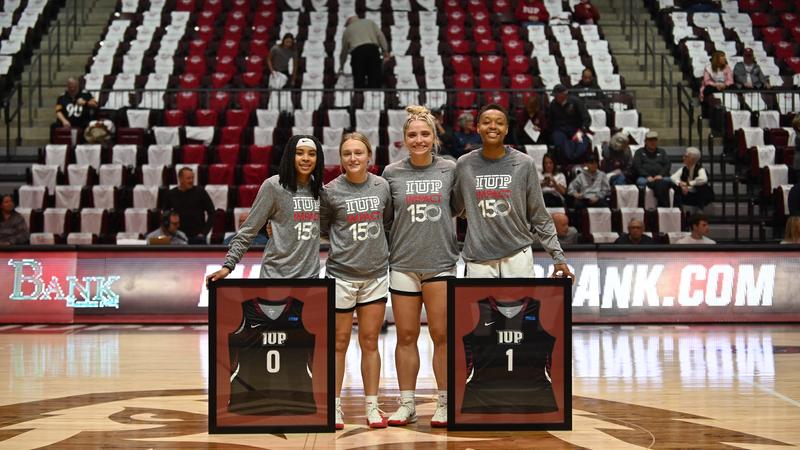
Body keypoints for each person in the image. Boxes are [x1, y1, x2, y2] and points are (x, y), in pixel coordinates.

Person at [381, 106, 457, 428]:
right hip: (403, 264)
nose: (419, 140)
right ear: (404, 139)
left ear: (434, 137)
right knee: (406, 336)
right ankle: (407, 404)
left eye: (425, 134)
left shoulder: (450, 169)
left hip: (440, 263)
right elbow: (385, 219)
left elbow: (461, 208)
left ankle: (445, 402)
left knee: (441, 336)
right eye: (412, 135)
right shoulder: (391, 173)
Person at [320, 132, 392, 429]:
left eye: (358, 152)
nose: (353, 158)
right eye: (347, 153)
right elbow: (321, 228)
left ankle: (372, 406)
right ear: (341, 158)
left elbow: (388, 223)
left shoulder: (382, 187)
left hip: (375, 275)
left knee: (370, 342)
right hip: (341, 275)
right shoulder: (330, 191)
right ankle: (334, 406)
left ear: (369, 156)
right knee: (338, 343)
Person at [453, 103, 573, 279]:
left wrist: (558, 256)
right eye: (486, 122)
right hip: (478, 256)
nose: (493, 126)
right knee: (481, 300)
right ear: (478, 128)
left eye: (499, 122)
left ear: (507, 129)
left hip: (518, 254)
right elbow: (456, 207)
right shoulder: (464, 164)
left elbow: (539, 214)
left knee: (521, 299)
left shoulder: (524, 163)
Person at [206, 135, 325, 281]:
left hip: (311, 278)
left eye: (311, 154)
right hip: (276, 277)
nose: (306, 158)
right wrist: (228, 266)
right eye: (299, 153)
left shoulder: (319, 189)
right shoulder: (273, 186)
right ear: (290, 156)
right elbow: (249, 229)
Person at [162, 167, 216, 244]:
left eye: (192, 178)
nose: (191, 181)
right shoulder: (171, 194)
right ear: (180, 179)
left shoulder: (200, 192)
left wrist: (204, 233)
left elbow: (212, 213)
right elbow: (165, 214)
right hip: (178, 237)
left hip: (197, 237)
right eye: (188, 178)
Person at [338, 16, 391, 89]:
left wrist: (342, 65)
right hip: (373, 50)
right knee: (374, 78)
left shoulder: (347, 30)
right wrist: (385, 50)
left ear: (348, 22)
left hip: (357, 53)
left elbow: (344, 51)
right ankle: (374, 94)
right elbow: (380, 36)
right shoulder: (370, 22)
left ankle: (359, 95)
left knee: (359, 80)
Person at [548, 84, 591, 164]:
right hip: (560, 130)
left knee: (581, 143)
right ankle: (564, 164)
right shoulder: (553, 104)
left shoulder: (576, 102)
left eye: (557, 95)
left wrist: (581, 130)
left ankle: (579, 162)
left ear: (564, 94)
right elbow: (550, 120)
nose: (555, 97)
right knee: (559, 143)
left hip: (576, 130)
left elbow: (586, 118)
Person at [632, 131, 673, 207]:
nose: (653, 142)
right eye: (650, 140)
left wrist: (661, 175)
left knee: (669, 180)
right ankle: (661, 204)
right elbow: (637, 166)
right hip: (645, 177)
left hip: (660, 177)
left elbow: (667, 165)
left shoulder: (662, 152)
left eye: (654, 140)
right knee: (641, 182)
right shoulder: (639, 152)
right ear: (645, 141)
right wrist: (647, 176)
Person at [671, 146, 713, 214]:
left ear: (693, 159)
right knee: (674, 186)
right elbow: (673, 177)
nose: (683, 158)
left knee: (702, 186)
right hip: (687, 194)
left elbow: (703, 179)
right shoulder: (684, 169)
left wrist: (688, 184)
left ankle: (700, 210)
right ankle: (679, 210)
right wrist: (681, 184)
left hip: (698, 196)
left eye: (686, 156)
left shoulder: (700, 169)